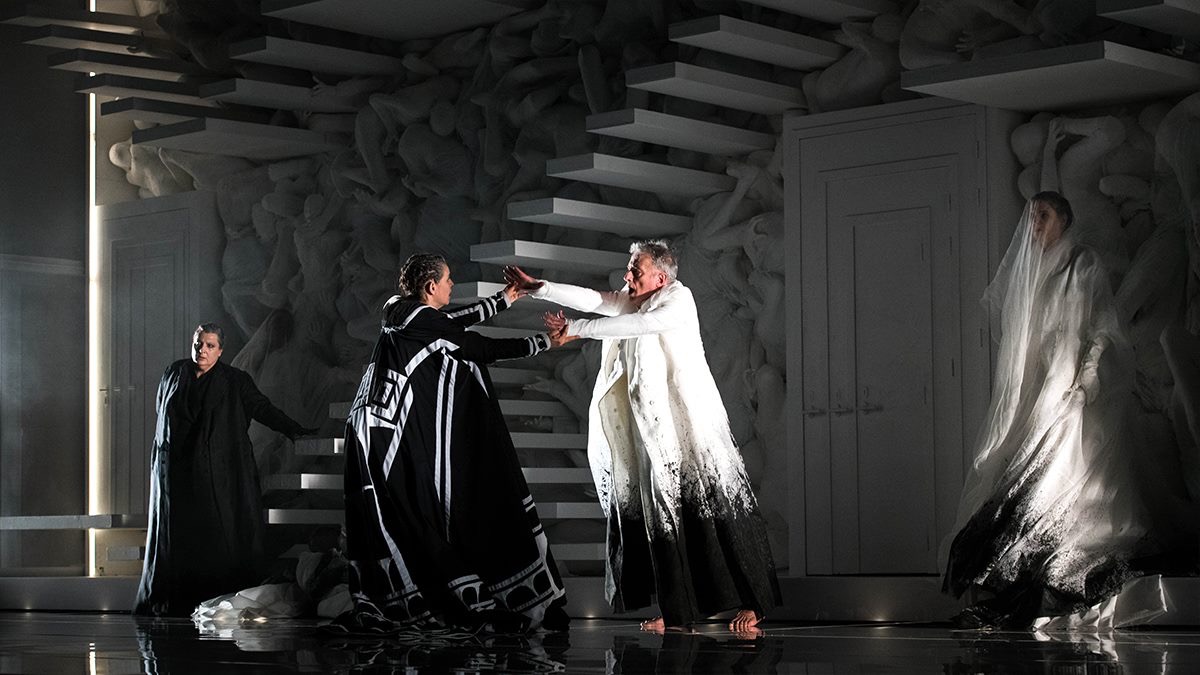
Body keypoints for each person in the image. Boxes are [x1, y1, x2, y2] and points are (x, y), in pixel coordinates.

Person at [504, 240, 781, 633]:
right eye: (630, 269)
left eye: (636, 270)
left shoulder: (677, 300)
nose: (627, 276)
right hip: (651, 433)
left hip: (692, 429)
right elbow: (594, 299)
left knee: (719, 510)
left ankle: (756, 603)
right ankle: (677, 610)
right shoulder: (632, 300)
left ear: (660, 278)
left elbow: (641, 325)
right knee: (660, 518)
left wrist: (577, 330)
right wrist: (540, 288)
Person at [941, 192, 1191, 628]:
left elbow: (1101, 328)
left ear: (1064, 219)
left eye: (1043, 216)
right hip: (1041, 389)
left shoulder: (1084, 264)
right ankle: (1008, 574)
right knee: (1021, 471)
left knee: (1063, 472)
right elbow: (1021, 335)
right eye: (1031, 217)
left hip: (1072, 389)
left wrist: (1087, 379)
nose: (1035, 225)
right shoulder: (1031, 271)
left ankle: (1047, 571)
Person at [340, 253, 571, 633]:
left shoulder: (400, 311)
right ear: (431, 286)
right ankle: (424, 596)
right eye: (448, 280)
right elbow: (479, 348)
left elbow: (449, 322)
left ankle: (407, 593)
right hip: (384, 432)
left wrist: (505, 299)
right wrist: (544, 342)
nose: (451, 285)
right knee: (406, 515)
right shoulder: (417, 318)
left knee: (400, 514)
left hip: (371, 424)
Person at [135, 323, 315, 617]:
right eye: (198, 344)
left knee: (215, 537)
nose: (202, 351)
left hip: (214, 476)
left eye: (209, 346)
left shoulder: (234, 380)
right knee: (177, 539)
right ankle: (174, 601)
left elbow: (262, 408)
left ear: (220, 351)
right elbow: (162, 412)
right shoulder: (174, 373)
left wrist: (293, 430)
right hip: (176, 476)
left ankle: (210, 597)